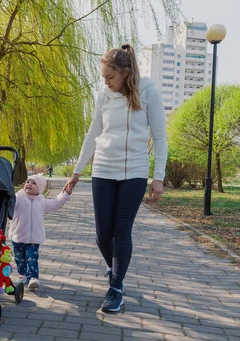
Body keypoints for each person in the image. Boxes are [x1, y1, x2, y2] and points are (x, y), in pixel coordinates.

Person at [64, 44, 167, 313]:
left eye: (110, 77)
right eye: (103, 77)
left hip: (134, 171)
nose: (106, 82)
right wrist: (77, 172)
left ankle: (116, 287)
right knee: (102, 234)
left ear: (125, 72)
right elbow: (92, 134)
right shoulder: (103, 98)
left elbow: (159, 136)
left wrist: (159, 177)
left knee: (121, 230)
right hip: (103, 170)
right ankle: (114, 269)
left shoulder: (148, 92)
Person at [9, 174, 71, 290]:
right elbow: (11, 202)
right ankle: (22, 275)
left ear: (40, 188)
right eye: (28, 182)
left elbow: (55, 203)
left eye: (33, 183)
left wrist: (65, 194)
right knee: (19, 258)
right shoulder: (19, 197)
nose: (29, 184)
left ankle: (33, 277)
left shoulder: (41, 201)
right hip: (18, 235)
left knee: (32, 258)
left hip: (34, 238)